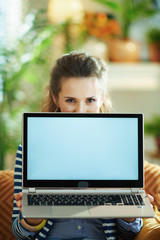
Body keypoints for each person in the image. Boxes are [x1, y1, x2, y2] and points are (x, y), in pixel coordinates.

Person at [11, 51, 152, 240]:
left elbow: (129, 235)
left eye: (90, 100)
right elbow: (19, 235)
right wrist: (33, 220)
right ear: (55, 98)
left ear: (101, 98)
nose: (81, 111)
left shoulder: (118, 152)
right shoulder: (30, 151)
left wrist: (130, 215)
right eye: (71, 100)